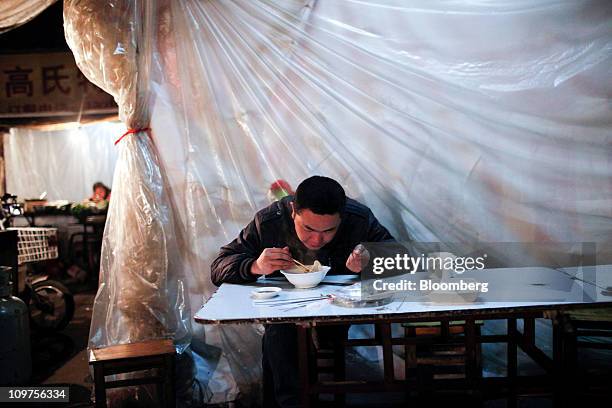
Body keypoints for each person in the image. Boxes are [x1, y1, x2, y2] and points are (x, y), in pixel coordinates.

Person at [211, 175, 394, 407]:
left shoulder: (358, 218)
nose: (317, 239)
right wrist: (255, 266)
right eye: (307, 228)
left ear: (342, 217)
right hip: (283, 312)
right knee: (280, 333)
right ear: (292, 211)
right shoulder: (270, 221)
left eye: (329, 230)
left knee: (314, 340)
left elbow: (402, 260)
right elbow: (219, 267)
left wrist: (371, 263)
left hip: (337, 312)